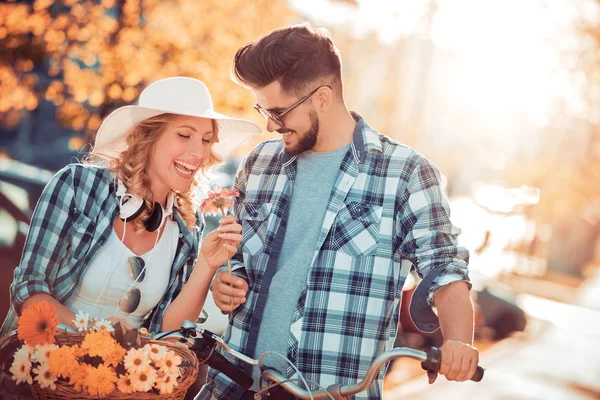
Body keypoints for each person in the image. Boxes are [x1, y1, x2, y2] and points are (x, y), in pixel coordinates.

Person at [202, 25, 478, 400]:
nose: (269, 124)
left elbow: (444, 269)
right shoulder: (260, 162)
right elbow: (236, 256)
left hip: (329, 391)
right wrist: (226, 281)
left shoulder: (405, 173)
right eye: (263, 110)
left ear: (322, 98)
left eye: (278, 111)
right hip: (234, 384)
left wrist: (459, 341)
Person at [0, 77, 262, 396]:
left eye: (207, 140)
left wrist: (207, 265)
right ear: (147, 136)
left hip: (121, 389)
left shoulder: (186, 229)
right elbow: (29, 288)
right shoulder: (77, 186)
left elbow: (169, 331)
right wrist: (100, 343)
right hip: (38, 377)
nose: (198, 152)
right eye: (184, 135)